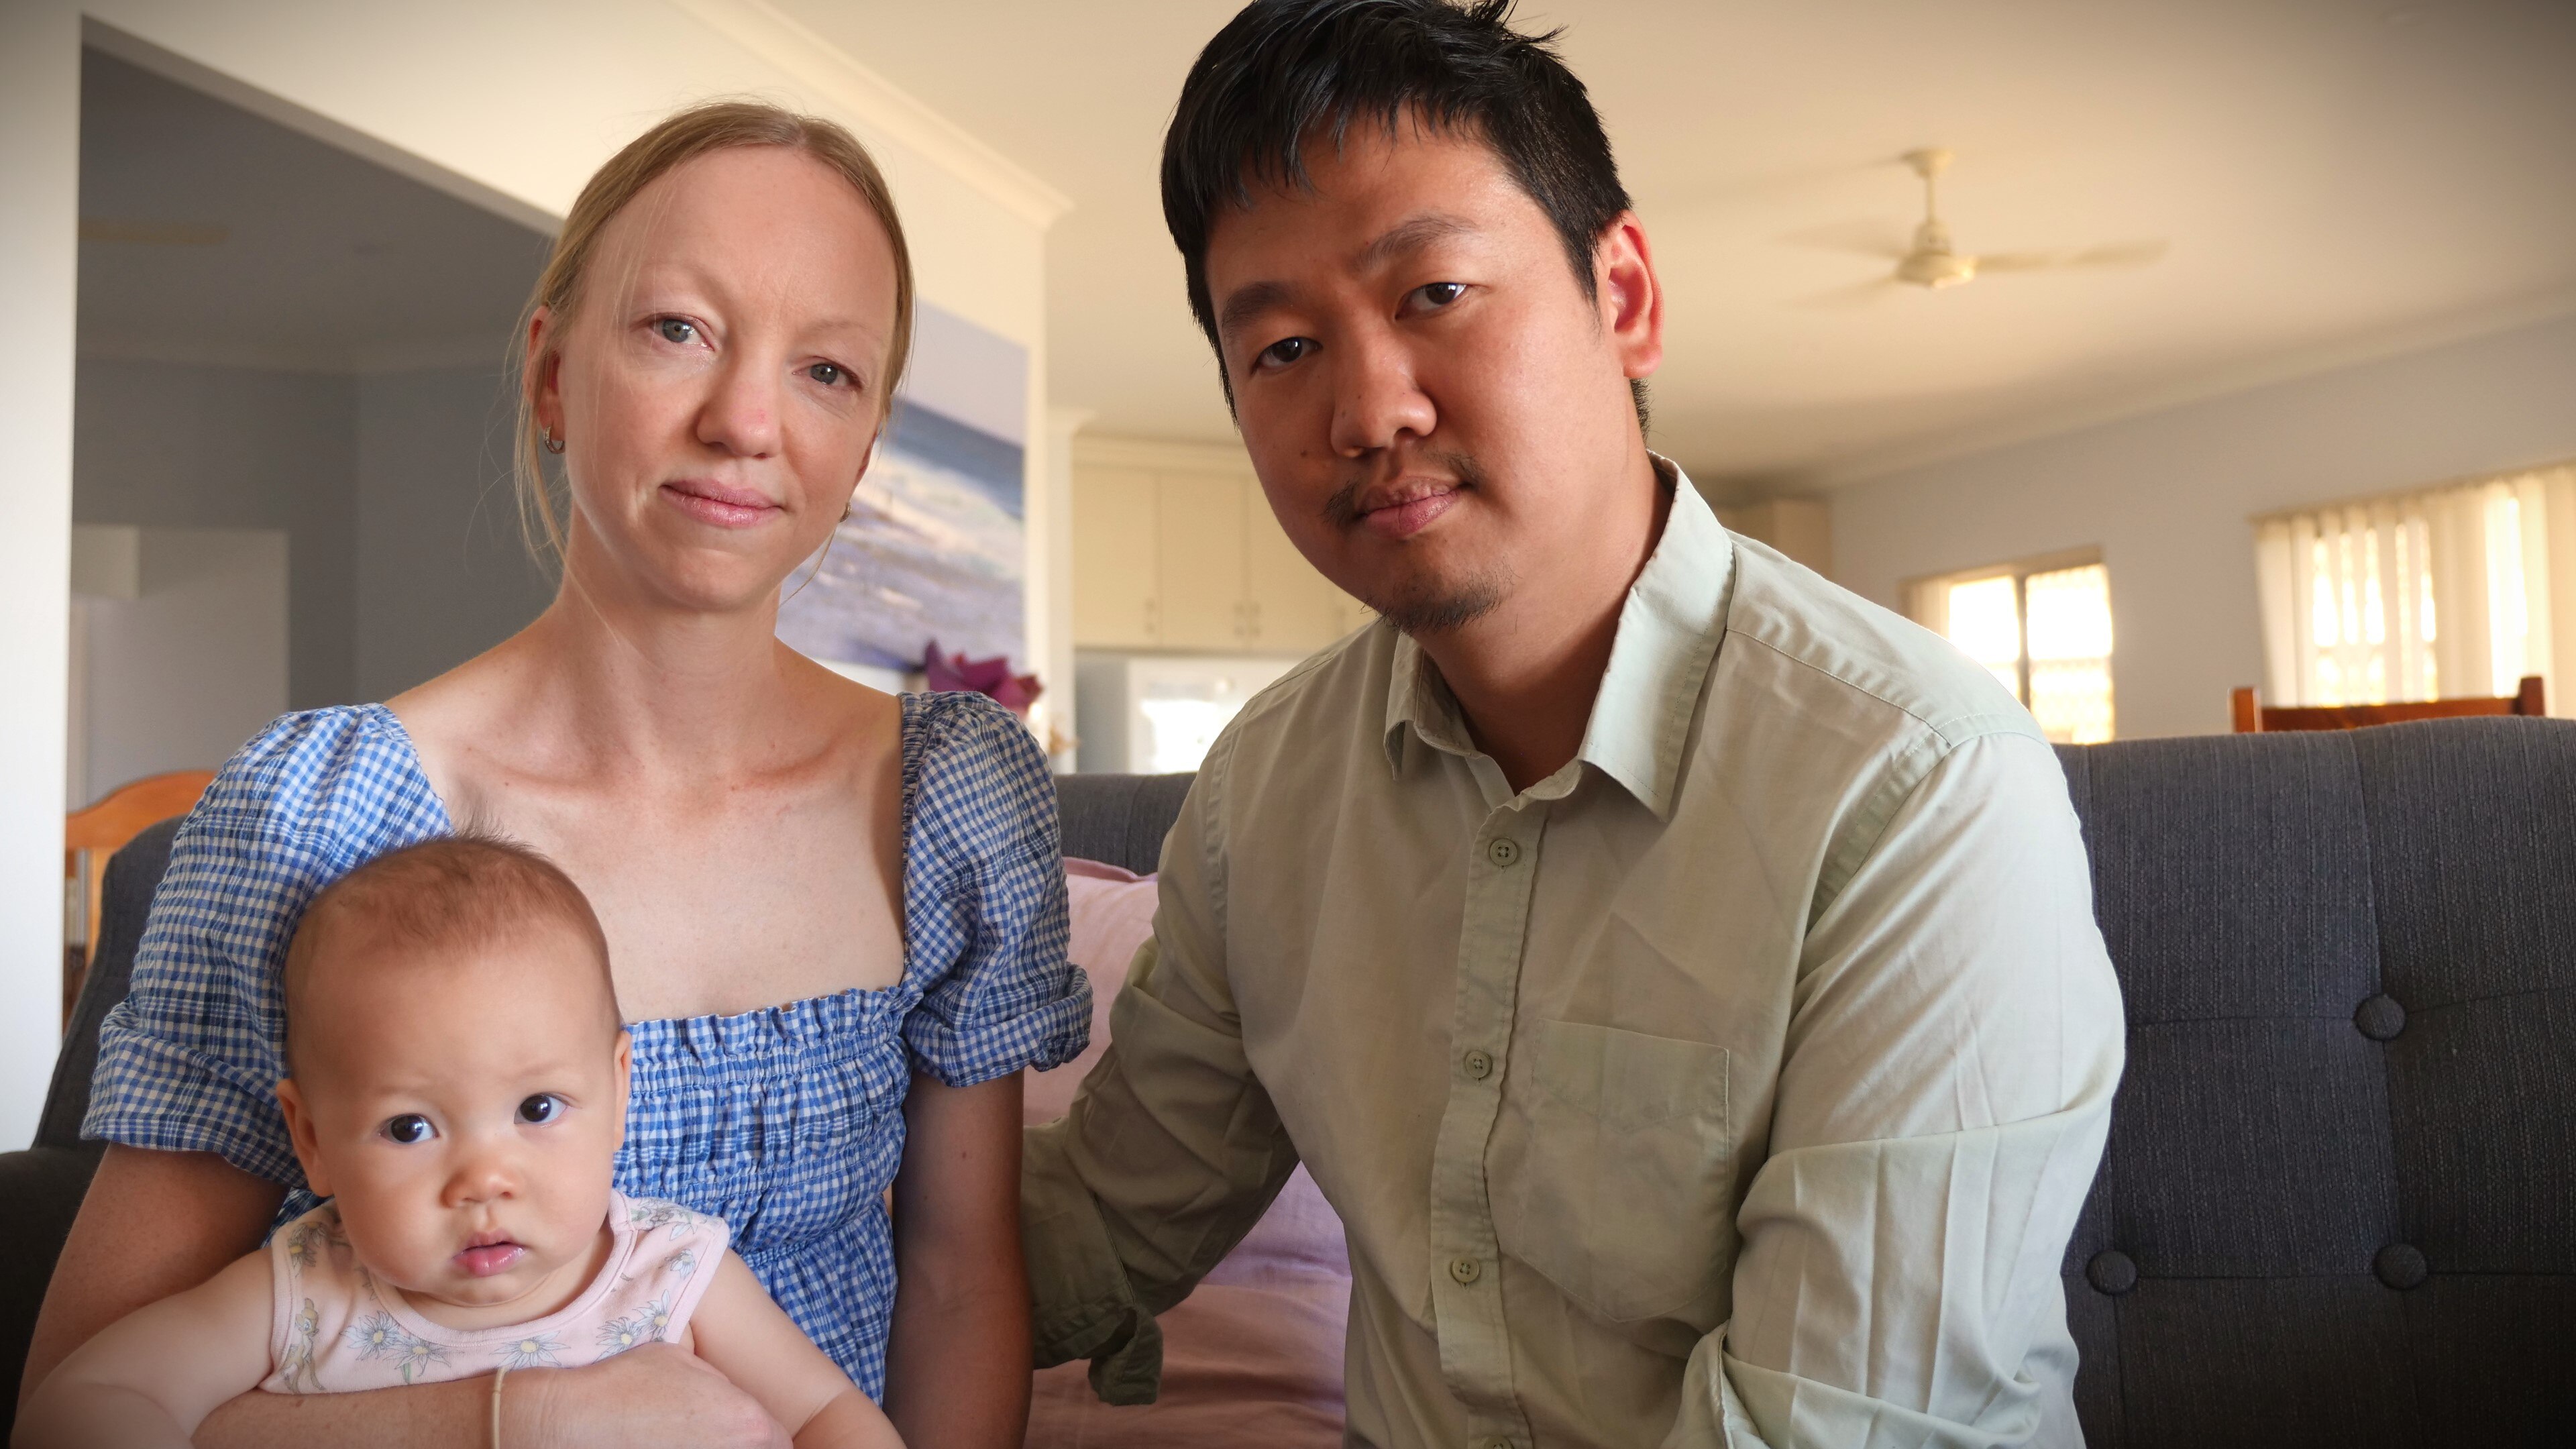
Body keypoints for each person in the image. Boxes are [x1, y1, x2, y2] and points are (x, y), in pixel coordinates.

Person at [1021, 3, 2125, 1446]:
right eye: (1283, 348)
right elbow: (1106, 1220)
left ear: (1625, 295)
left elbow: (1838, 1426)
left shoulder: (1917, 787)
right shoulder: (1266, 795)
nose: (1367, 410)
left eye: (1433, 295)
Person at [21, 101, 1086, 1449]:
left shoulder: (955, 799)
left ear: (864, 445)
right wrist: (528, 1418)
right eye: (678, 330)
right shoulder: (320, 812)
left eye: (827, 371)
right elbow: (81, 1393)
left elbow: (957, 1281)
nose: (747, 419)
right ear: (550, 376)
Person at [19, 837, 902, 1449]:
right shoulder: (302, 1294)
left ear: (621, 1091)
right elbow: (83, 1403)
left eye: (538, 1108)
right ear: (313, 1140)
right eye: (411, 1128)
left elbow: (833, 1418)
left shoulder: (673, 1274)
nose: (484, 1179)